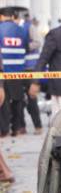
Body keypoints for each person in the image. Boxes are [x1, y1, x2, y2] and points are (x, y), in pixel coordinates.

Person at [0, 7, 31, 136]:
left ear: (1, 16)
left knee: (4, 101)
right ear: (13, 16)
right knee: (18, 100)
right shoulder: (22, 30)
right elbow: (26, 47)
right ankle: (16, 128)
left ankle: (4, 129)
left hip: (4, 71)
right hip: (19, 70)